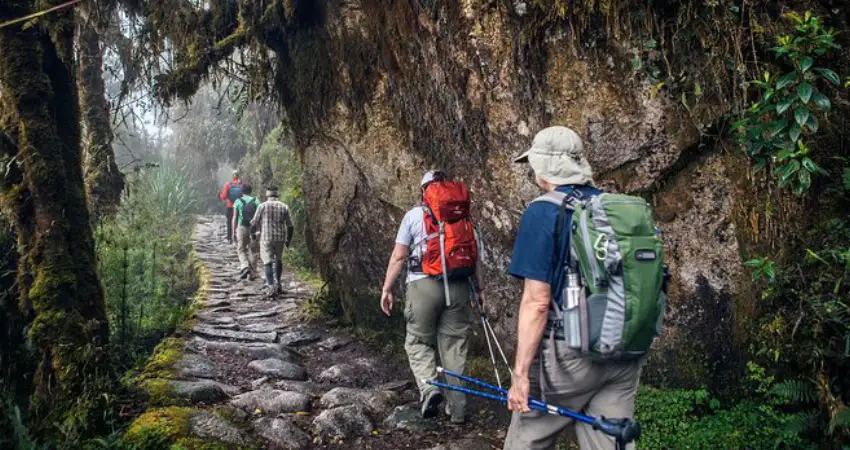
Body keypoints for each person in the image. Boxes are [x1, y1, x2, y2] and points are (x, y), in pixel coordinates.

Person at [503, 126, 644, 450]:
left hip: (569, 357)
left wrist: (520, 374)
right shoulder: (616, 209)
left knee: (525, 440)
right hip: (624, 350)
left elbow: (537, 303)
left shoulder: (543, 211)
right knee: (610, 443)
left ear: (545, 166)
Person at [380, 170, 487, 425]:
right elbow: (476, 260)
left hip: (422, 285)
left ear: (424, 190)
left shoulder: (414, 215)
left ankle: (430, 390)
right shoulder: (465, 218)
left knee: (418, 342)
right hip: (460, 286)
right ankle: (458, 411)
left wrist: (387, 288)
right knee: (454, 348)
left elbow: (398, 256)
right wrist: (481, 290)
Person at [250, 187, 294, 294]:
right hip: (280, 238)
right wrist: (288, 240)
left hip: (266, 238)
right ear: (277, 195)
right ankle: (278, 283)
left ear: (267, 195)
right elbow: (290, 225)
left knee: (267, 261)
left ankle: (270, 286)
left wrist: (253, 235)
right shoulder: (284, 206)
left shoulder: (262, 206)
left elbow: (254, 222)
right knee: (278, 260)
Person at [232, 183, 261, 280]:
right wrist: (260, 229)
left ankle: (245, 266)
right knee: (254, 250)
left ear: (242, 191)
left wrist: (233, 232)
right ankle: (253, 273)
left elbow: (235, 217)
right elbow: (260, 217)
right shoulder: (256, 201)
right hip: (254, 228)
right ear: (250, 191)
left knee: (241, 249)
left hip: (242, 227)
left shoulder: (237, 201)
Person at [219, 170, 243, 244]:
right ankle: (238, 236)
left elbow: (223, 197)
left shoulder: (228, 184)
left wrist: (220, 195)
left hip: (230, 206)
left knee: (229, 222)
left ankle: (229, 237)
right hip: (239, 206)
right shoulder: (242, 185)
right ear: (238, 176)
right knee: (239, 221)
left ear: (232, 176)